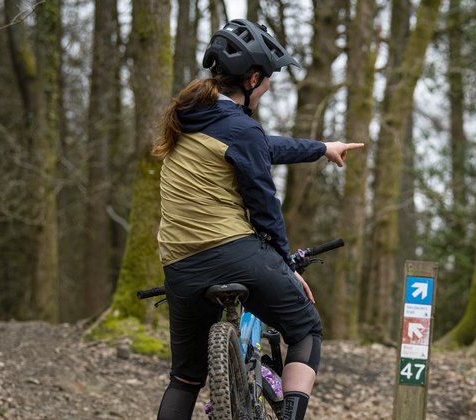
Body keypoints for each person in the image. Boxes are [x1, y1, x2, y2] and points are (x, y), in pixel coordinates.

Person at [151, 19, 364, 420]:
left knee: (184, 378)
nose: (267, 89)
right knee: (306, 331)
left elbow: (262, 146)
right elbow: (265, 208)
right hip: (234, 251)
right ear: (252, 79)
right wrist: (285, 264)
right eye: (267, 81)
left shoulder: (189, 119)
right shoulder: (239, 127)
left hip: (178, 264)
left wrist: (322, 147)